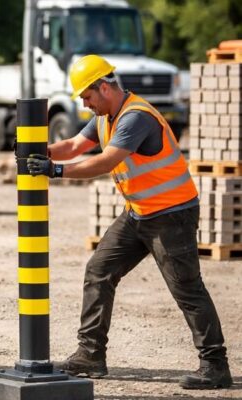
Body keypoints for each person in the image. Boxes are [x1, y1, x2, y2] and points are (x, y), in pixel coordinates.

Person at [25, 55, 232, 390]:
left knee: (187, 289)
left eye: (87, 96)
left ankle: (215, 365)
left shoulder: (136, 117)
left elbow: (105, 161)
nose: (85, 103)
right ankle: (90, 355)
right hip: (139, 212)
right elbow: (74, 145)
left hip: (171, 215)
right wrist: (39, 150)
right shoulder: (104, 117)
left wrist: (56, 171)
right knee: (99, 270)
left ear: (104, 88)